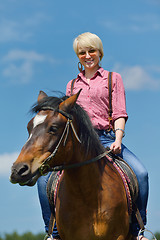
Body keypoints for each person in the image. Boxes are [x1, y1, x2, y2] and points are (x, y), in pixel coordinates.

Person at [37, 32, 149, 240]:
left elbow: (119, 113)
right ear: (77, 56)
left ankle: (137, 230)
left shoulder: (112, 78)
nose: (87, 56)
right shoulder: (71, 85)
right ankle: (53, 233)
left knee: (141, 174)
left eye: (91, 51)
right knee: (44, 181)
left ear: (100, 53)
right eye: (82, 52)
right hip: (78, 143)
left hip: (107, 138)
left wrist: (117, 139)